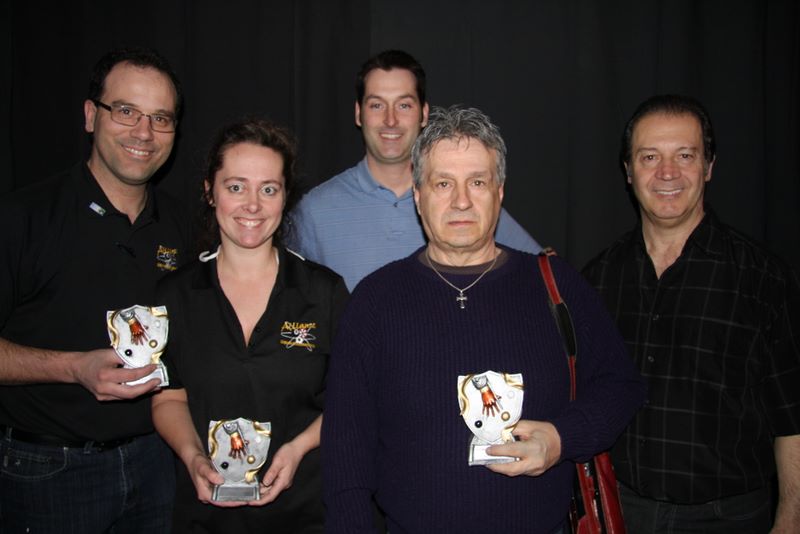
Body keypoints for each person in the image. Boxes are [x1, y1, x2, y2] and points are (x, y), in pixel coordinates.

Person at [322, 105, 646, 533]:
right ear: (418, 195)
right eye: (443, 183)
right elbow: (346, 450)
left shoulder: (556, 285)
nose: (461, 200)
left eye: (477, 182)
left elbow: (620, 386)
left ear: (500, 192)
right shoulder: (375, 301)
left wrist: (561, 438)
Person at [582, 94, 800, 533]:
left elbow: (793, 418)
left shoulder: (763, 279)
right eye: (650, 157)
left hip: (729, 519)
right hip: (622, 513)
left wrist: (790, 520)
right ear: (628, 171)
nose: (667, 173)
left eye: (685, 155)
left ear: (708, 166)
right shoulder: (597, 279)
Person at [0, 47, 187, 533]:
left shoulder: (184, 226)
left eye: (160, 118)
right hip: (50, 471)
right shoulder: (23, 219)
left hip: (158, 464)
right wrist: (72, 368)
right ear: (90, 115)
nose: (143, 132)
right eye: (126, 111)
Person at [152, 118, 348, 533]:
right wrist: (192, 456)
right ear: (210, 191)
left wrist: (298, 448)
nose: (253, 205)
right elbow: (168, 398)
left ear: (285, 196)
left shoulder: (323, 291)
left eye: (269, 189)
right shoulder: (175, 294)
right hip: (204, 517)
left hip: (304, 513)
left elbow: (351, 399)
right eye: (236, 187)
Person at [290, 50, 541, 290]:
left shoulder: (462, 204)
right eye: (377, 105)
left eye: (404, 105)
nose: (390, 120)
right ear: (358, 113)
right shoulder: (314, 211)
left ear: (424, 114)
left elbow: (541, 272)